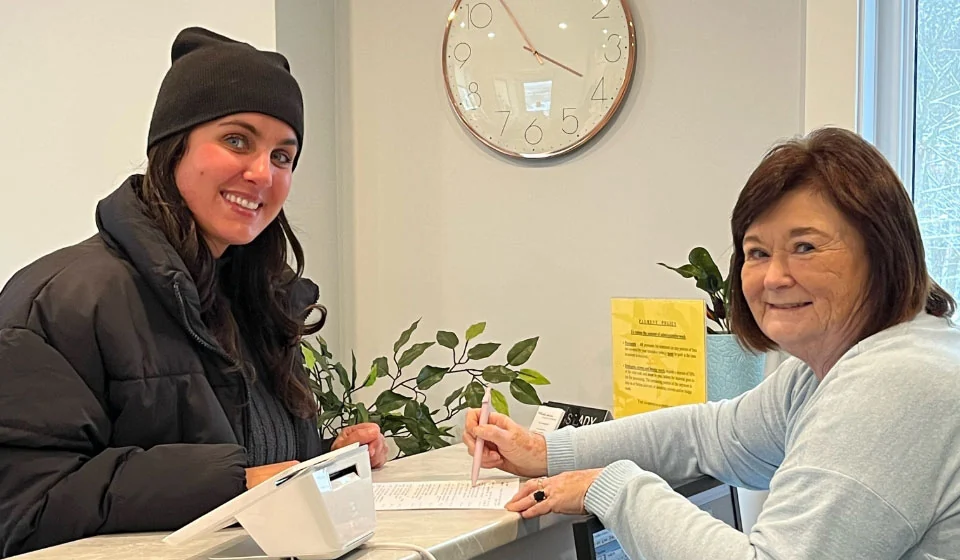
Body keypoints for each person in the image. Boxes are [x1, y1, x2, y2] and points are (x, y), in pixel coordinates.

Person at [464, 127, 960, 559]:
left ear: (884, 250)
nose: (774, 276)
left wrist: (608, 486)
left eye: (805, 247)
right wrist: (544, 449)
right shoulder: (839, 365)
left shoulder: (893, 384)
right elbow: (709, 434)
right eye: (757, 252)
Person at [0, 27, 387, 558]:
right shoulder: (61, 298)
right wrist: (238, 483)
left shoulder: (260, 302)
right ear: (172, 147)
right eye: (236, 140)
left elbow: (248, 462)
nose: (261, 173)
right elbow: (26, 505)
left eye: (282, 155)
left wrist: (323, 460)